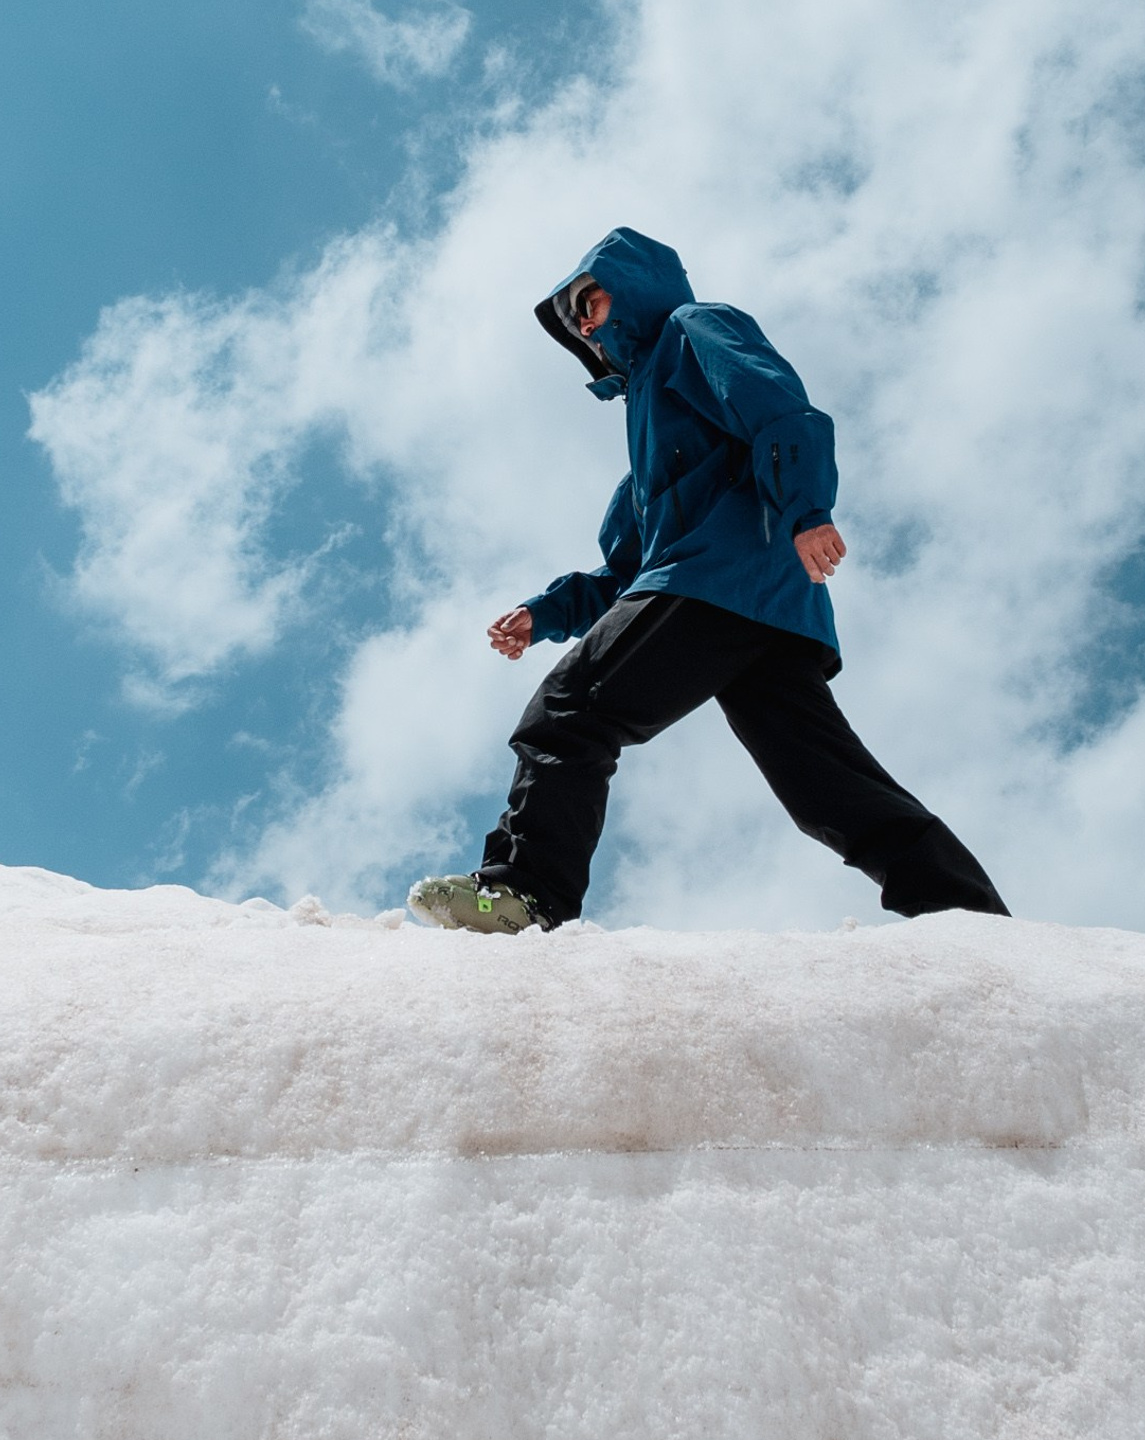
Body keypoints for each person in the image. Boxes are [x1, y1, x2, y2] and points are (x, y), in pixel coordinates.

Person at [408, 227, 1008, 935]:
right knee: (826, 787)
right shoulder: (647, 443)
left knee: (570, 710)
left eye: (593, 303)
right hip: (762, 615)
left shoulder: (694, 330)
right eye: (579, 320)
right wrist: (544, 614)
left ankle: (528, 893)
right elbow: (629, 573)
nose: (589, 325)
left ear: (631, 290)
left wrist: (807, 508)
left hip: (722, 582)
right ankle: (969, 920)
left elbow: (776, 405)